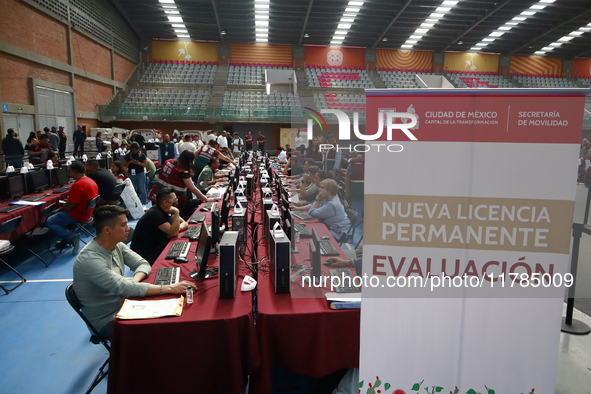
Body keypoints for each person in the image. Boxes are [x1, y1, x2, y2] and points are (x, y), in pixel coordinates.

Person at [73, 205, 195, 338]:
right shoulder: (89, 260)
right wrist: (170, 288)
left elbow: (142, 264)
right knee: (166, 327)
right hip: (108, 321)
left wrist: (134, 283)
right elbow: (123, 287)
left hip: (126, 303)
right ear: (107, 230)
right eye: (124, 225)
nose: (128, 229)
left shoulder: (116, 244)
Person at [44, 161, 98, 253]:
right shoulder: (91, 181)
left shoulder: (78, 185)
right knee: (56, 214)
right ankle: (65, 239)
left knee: (48, 221)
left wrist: (59, 210)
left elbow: (70, 205)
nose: (69, 173)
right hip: (87, 213)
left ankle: (71, 236)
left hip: (77, 214)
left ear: (75, 171)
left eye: (70, 171)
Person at [149, 150, 215, 220]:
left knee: (158, 218)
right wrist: (205, 199)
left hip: (156, 195)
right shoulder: (183, 172)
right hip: (169, 202)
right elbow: (193, 189)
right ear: (190, 161)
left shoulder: (168, 162)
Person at [130, 188, 189, 265]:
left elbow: (185, 224)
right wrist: (177, 212)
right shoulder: (155, 213)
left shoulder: (166, 209)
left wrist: (178, 228)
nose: (177, 201)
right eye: (174, 200)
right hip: (144, 253)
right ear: (165, 202)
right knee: (176, 259)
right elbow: (174, 233)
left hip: (156, 246)